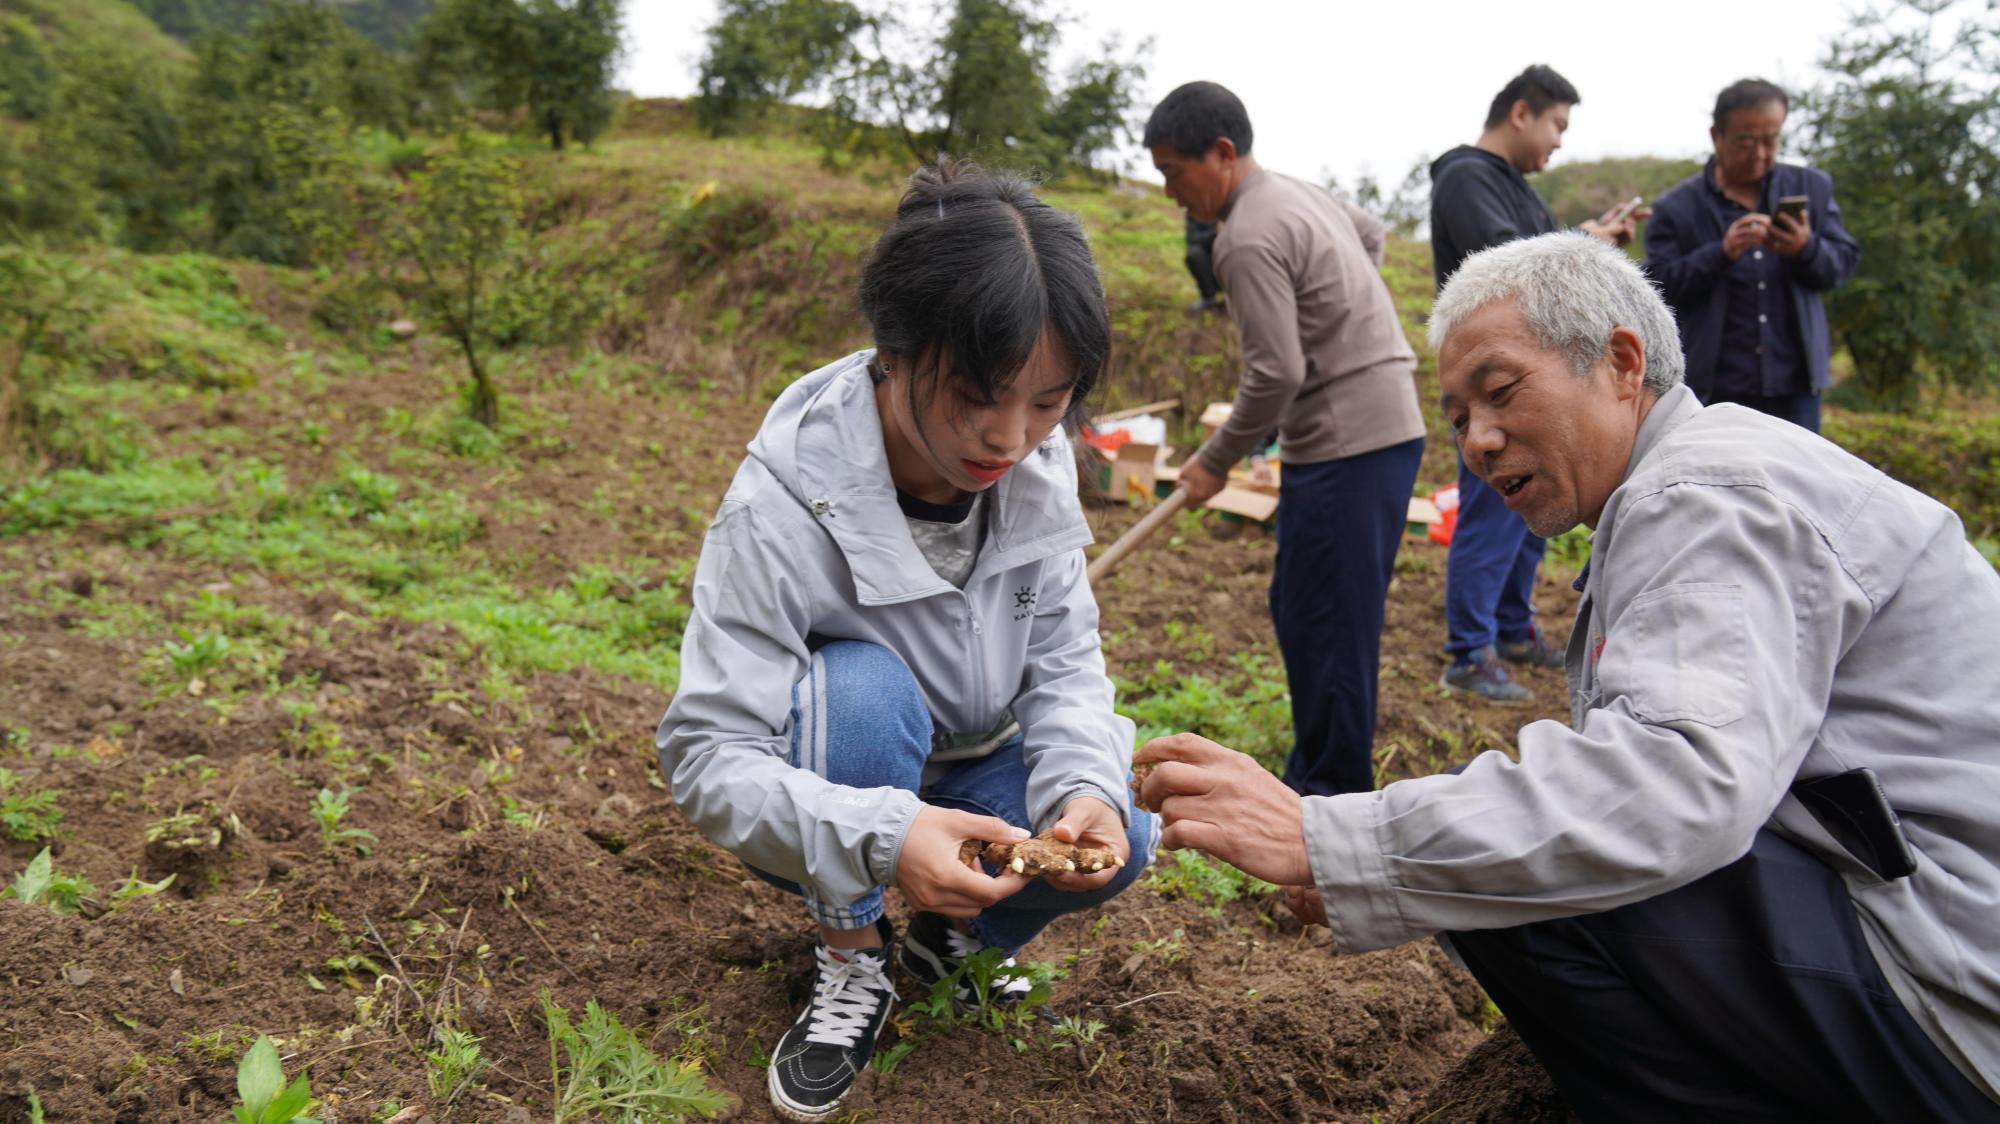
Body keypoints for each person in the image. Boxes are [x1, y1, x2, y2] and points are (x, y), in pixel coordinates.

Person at [1135, 231, 2000, 1121]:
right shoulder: (1705, 477)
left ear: (1622, 363)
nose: (1477, 440)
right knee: (1516, 858)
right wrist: (1402, 866)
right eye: (1460, 416)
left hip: (1954, 989)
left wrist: (1334, 839)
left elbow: (1675, 781)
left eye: (1500, 392)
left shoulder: (1705, 496)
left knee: (1530, 893)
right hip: (1938, 943)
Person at [656, 160, 1157, 1123]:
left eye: (1048, 401)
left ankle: (944, 942)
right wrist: (889, 834)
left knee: (1122, 833)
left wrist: (1080, 789)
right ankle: (852, 954)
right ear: (896, 347)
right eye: (978, 392)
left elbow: (1064, 665)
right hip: (838, 765)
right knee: (863, 693)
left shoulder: (1041, 469)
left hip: (975, 763)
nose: (1010, 436)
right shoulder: (783, 500)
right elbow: (708, 754)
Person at [1143, 80, 1426, 799]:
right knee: (1312, 611)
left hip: (1345, 444)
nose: (1173, 194)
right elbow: (1371, 235)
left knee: (1326, 623)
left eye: (1176, 173)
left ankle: (1328, 797)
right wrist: (1350, 321)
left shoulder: (1243, 239)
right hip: (1382, 430)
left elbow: (1275, 374)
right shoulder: (1301, 193)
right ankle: (1324, 774)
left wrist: (1211, 463)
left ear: (1223, 154)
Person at [1429, 64, 1645, 705]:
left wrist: (1589, 242)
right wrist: (1585, 241)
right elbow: (1505, 266)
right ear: (1521, 112)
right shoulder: (1465, 177)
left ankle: (1512, 627)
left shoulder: (1516, 187)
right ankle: (1468, 652)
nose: (1558, 141)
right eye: (1556, 124)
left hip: (1536, 382)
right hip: (1495, 384)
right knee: (1491, 516)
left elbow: (1541, 255)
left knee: (1534, 513)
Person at [1644, 78, 1861, 433]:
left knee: (1798, 485)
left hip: (1796, 387)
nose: (1759, 153)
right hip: (1713, 390)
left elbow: (1843, 264)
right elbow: (1658, 290)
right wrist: (1721, 253)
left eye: (1771, 140)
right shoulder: (1676, 208)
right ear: (1717, 136)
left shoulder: (1812, 188)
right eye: (1746, 141)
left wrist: (1805, 249)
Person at [1184, 214, 1221, 312]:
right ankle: (1208, 297)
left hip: (1230, 257)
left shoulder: (1230, 208)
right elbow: (1191, 238)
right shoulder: (1194, 212)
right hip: (1208, 259)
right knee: (1194, 254)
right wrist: (1215, 233)